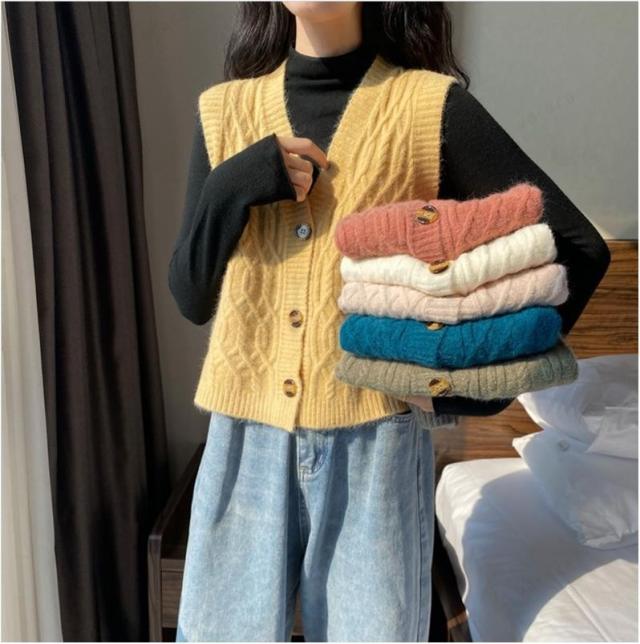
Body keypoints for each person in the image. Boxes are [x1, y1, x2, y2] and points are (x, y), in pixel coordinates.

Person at [170, 2, 610, 641]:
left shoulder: (427, 107)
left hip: (374, 446)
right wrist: (232, 184)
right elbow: (190, 296)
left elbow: (578, 247)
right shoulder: (224, 111)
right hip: (244, 441)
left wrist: (464, 392)